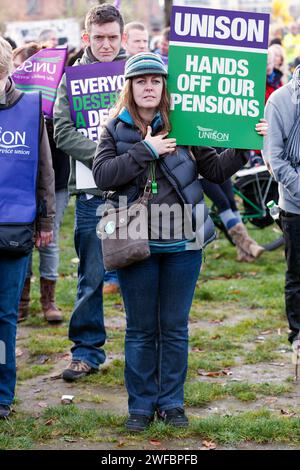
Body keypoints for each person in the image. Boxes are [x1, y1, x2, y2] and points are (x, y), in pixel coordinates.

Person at [92, 52, 268, 431]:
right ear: (130, 87)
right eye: (141, 81)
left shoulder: (185, 124)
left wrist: (244, 144)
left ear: (165, 86)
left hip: (183, 243)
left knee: (174, 327)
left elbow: (217, 170)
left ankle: (172, 403)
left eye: (156, 80)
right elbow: (103, 175)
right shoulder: (114, 129)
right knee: (140, 329)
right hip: (135, 241)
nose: (149, 87)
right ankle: (140, 407)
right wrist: (146, 150)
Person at [53, 3, 126, 382]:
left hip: (136, 191)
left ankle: (144, 348)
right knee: (91, 274)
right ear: (87, 38)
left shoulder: (138, 73)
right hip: (92, 192)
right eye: (99, 38)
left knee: (141, 274)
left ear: (122, 37)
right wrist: (105, 157)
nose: (106, 44)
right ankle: (86, 351)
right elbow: (62, 132)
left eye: (113, 37)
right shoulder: (73, 78)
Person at [0, 37, 55, 419]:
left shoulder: (30, 108)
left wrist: (47, 220)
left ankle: (3, 395)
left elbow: (44, 170)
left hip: (14, 229)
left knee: (4, 317)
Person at [12, 43, 70, 324]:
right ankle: (20, 300)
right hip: (19, 183)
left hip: (56, 180)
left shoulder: (56, 101)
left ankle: (49, 300)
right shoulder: (13, 106)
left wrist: (47, 118)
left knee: (49, 239)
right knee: (19, 239)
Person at [263, 64, 300, 351]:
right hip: (295, 204)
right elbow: (275, 159)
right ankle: (298, 334)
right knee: (297, 273)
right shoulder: (280, 100)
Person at [201, 177, 264, 262]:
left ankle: (243, 254)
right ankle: (249, 244)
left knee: (232, 203)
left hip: (220, 169)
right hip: (202, 174)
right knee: (223, 203)